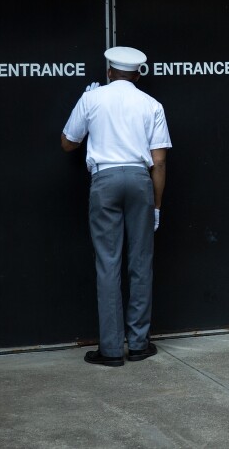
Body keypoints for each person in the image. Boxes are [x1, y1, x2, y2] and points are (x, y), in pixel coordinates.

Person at [61, 46, 171, 367]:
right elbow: (160, 163)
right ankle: (138, 344)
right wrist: (157, 208)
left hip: (105, 180)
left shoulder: (92, 98)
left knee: (108, 263)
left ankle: (110, 350)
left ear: (109, 72)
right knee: (141, 261)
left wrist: (87, 103)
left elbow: (68, 143)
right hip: (140, 181)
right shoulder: (152, 104)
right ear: (138, 75)